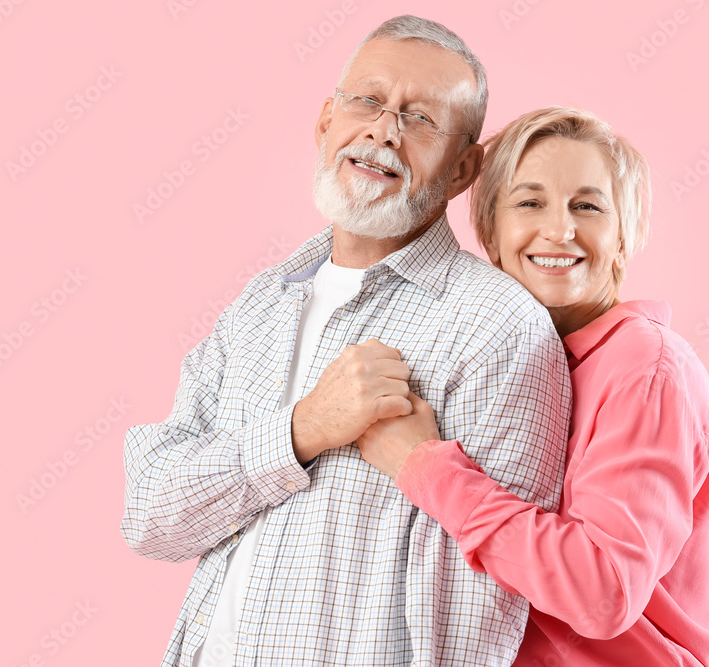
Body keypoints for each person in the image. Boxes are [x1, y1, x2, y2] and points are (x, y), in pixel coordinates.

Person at [120, 17, 571, 667]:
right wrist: (302, 429)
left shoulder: (498, 327)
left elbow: (479, 617)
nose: (384, 130)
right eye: (367, 101)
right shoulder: (259, 304)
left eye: (420, 120)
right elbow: (151, 516)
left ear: (464, 169)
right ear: (326, 120)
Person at [357, 107, 709, 666]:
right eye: (530, 202)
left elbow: (603, 589)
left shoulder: (645, 370)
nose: (559, 230)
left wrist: (425, 466)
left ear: (624, 235)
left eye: (587, 206)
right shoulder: (518, 359)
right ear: (489, 230)